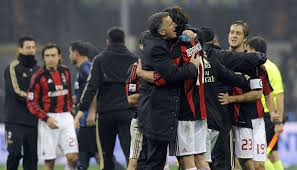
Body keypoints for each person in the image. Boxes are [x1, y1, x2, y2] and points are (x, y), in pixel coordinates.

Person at [136, 12, 201, 170]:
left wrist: (196, 38)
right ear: (161, 31)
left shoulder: (161, 41)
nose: (175, 26)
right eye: (171, 23)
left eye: (175, 22)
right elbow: (172, 74)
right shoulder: (158, 47)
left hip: (156, 112)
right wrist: (193, 67)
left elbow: (203, 39)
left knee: (149, 159)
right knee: (155, 161)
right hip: (158, 113)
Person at [76, 27, 138, 170]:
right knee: (131, 155)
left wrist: (81, 110)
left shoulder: (100, 60)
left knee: (106, 156)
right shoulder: (135, 59)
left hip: (106, 114)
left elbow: (91, 87)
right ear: (124, 40)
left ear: (108, 41)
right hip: (127, 112)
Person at [27, 44, 78, 170]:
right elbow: (31, 102)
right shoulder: (38, 76)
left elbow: (68, 93)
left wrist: (73, 113)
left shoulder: (65, 72)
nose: (50, 58)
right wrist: (46, 118)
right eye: (47, 56)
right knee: (50, 161)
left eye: (53, 55)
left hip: (66, 117)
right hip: (48, 119)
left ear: (59, 56)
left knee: (73, 157)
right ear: (43, 58)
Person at [246, 36, 285, 170]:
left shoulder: (260, 68)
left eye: (248, 49)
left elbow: (279, 96)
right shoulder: (273, 67)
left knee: (259, 156)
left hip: (264, 116)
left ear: (254, 50)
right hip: (270, 116)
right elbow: (279, 94)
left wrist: (278, 121)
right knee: (273, 154)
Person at [4, 36, 40, 170]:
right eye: (28, 47)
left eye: (33, 47)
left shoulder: (39, 69)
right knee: (15, 153)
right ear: (20, 49)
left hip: (32, 121)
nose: (31, 50)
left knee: (31, 158)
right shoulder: (12, 68)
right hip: (15, 121)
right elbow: (16, 91)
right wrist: (36, 99)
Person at [69, 41, 99, 170]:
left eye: (70, 53)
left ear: (76, 54)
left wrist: (91, 112)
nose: (69, 56)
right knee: (96, 156)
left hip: (87, 121)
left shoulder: (86, 68)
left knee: (83, 158)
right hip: (85, 121)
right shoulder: (84, 68)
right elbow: (86, 91)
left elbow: (94, 88)